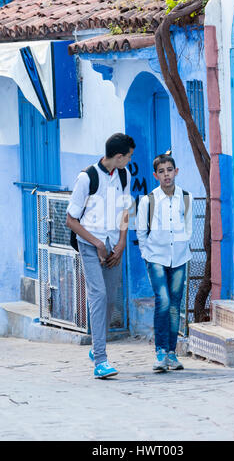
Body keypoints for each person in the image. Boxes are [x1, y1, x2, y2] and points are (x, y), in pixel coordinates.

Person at [66, 133, 135, 379]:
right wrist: (96, 243)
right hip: (90, 245)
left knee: (110, 300)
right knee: (99, 295)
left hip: (115, 246)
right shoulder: (87, 178)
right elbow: (71, 219)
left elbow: (126, 210)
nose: (129, 160)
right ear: (118, 156)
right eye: (128, 156)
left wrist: (122, 243)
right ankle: (100, 360)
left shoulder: (125, 176)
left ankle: (98, 345)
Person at [136, 154, 192, 372]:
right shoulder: (147, 200)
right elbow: (141, 230)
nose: (166, 174)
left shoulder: (186, 198)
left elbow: (188, 228)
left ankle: (171, 353)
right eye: (162, 171)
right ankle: (160, 351)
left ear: (176, 172)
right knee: (164, 300)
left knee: (175, 306)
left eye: (170, 170)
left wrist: (182, 245)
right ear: (155, 175)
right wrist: (146, 254)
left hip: (179, 257)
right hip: (156, 257)